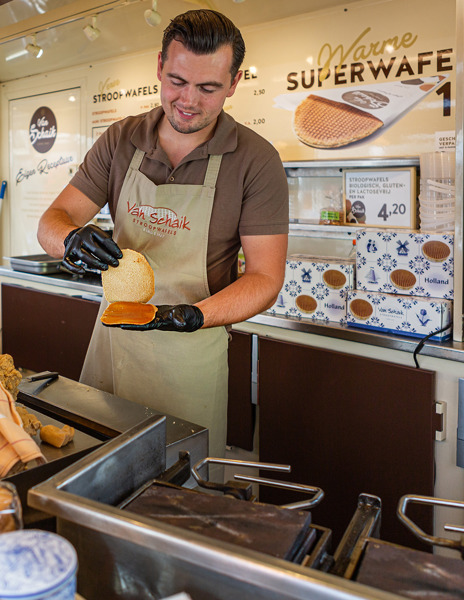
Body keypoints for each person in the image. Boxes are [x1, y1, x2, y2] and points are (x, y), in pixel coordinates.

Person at [37, 9, 288, 457]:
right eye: (176, 81)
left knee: (178, 485)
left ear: (233, 83)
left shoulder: (256, 160)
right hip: (113, 343)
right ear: (159, 67)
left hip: (188, 355)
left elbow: (265, 279)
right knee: (95, 469)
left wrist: (193, 315)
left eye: (208, 88)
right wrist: (70, 240)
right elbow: (53, 220)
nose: (188, 100)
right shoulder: (121, 139)